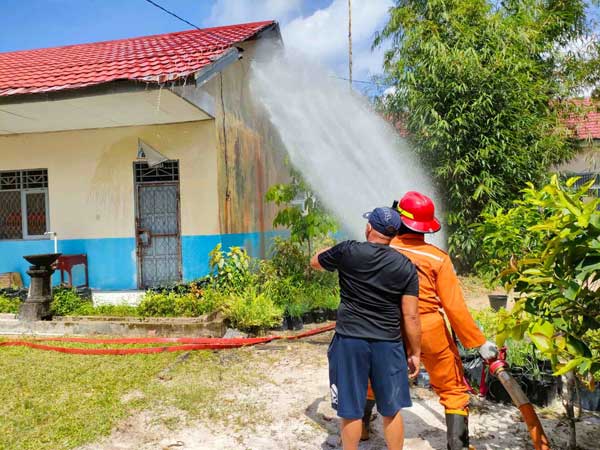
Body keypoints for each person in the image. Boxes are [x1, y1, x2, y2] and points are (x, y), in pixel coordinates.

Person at [362, 192, 498, 450]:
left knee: (372, 378)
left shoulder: (382, 248)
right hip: (429, 328)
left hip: (387, 326)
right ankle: (456, 445)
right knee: (452, 389)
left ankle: (361, 430)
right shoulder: (438, 258)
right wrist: (478, 343)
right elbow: (454, 307)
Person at [310, 207, 421, 450]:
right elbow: (411, 316)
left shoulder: (348, 251)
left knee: (350, 410)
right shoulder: (405, 266)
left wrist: (331, 249)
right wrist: (414, 353)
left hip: (350, 341)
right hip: (388, 343)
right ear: (392, 235)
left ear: (369, 228)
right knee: (391, 410)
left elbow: (315, 262)